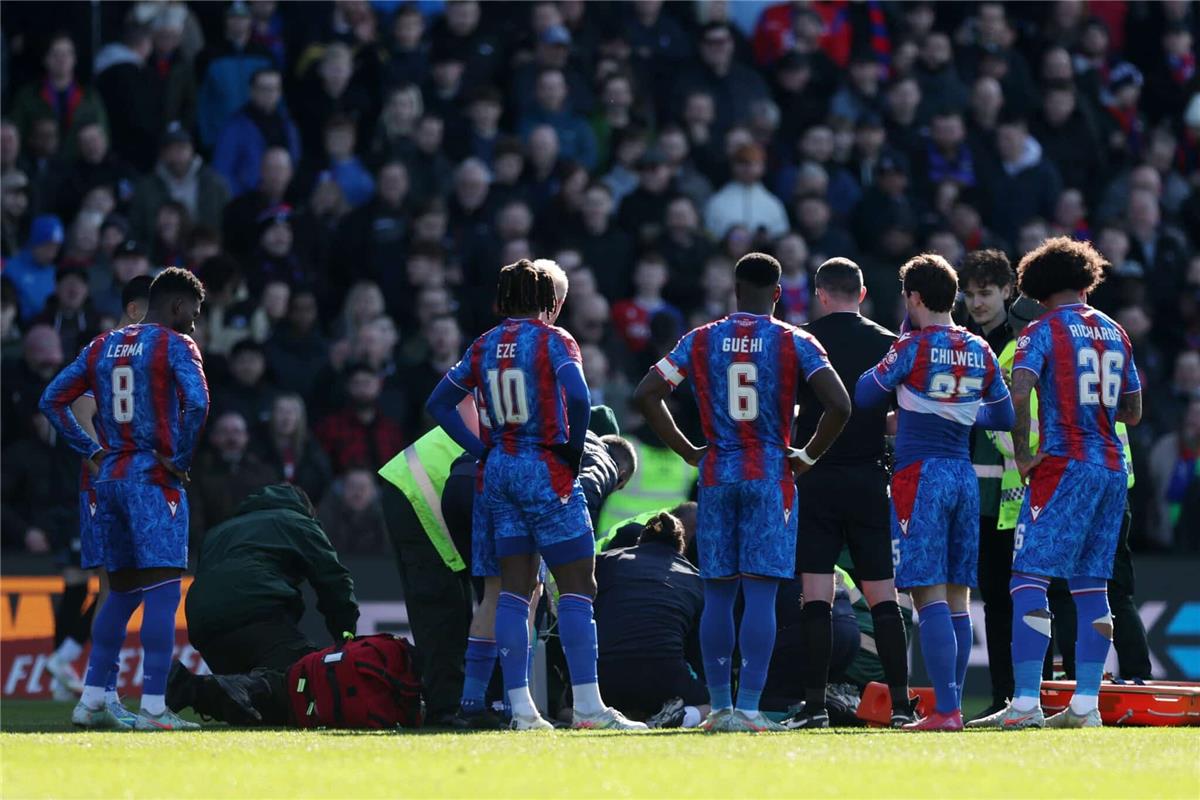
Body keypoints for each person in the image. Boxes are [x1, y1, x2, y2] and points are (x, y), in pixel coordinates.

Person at [633, 251, 851, 732]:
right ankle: (749, 709)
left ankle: (718, 708)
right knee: (759, 596)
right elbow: (839, 403)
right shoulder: (795, 341)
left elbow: (646, 393)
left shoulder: (702, 339)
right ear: (777, 293)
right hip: (771, 474)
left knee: (717, 595)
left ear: (735, 291)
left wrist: (689, 450)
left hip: (716, 474)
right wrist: (807, 456)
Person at [426, 258, 644, 731]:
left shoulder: (484, 344)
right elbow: (581, 397)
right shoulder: (554, 340)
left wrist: (482, 447)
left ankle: (522, 709)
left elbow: (438, 403)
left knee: (512, 593)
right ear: (549, 300)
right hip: (544, 467)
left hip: (499, 470)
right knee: (578, 587)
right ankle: (588, 707)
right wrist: (570, 450)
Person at [978, 238, 1143, 730]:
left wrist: (1027, 457)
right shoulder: (1117, 332)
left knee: (1028, 578)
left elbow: (1019, 394)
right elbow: (1133, 411)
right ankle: (1086, 705)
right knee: (1093, 586)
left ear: (1036, 286)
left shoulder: (1040, 331)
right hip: (1111, 469)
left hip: (1062, 465)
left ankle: (1026, 703)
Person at [39, 267, 210, 731]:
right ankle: (154, 706)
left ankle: (92, 698)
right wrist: (179, 457)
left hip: (108, 479)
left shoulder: (101, 345)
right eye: (192, 314)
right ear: (176, 306)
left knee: (119, 591)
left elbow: (51, 400)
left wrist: (91, 450)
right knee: (162, 589)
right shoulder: (176, 345)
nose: (194, 324)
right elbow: (196, 403)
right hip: (154, 478)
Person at [854, 253, 1014, 732]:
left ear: (914, 298)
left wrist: (904, 342)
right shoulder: (979, 348)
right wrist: (961, 414)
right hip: (964, 477)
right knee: (960, 597)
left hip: (919, 476)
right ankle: (954, 707)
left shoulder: (912, 347)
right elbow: (1003, 416)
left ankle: (944, 712)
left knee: (929, 596)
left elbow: (864, 396)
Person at [787, 258, 912, 729]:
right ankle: (901, 706)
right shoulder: (888, 344)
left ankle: (815, 706)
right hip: (868, 479)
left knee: (815, 595)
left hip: (815, 478)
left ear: (820, 294)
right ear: (861, 294)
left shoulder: (801, 341)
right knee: (883, 595)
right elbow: (903, 418)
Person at [43, 275, 152, 719]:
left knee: (122, 586)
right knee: (116, 586)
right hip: (107, 485)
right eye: (155, 308)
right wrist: (99, 462)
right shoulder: (109, 352)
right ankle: (102, 692)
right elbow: (78, 408)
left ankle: (101, 691)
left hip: (126, 481)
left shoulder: (146, 355)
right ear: (132, 310)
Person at [185, 484, 358, 674]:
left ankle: (200, 690)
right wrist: (345, 636)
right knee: (306, 677)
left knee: (241, 694)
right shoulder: (298, 521)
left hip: (202, 622)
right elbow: (334, 580)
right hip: (255, 608)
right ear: (308, 510)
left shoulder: (217, 532)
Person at [956, 249, 1018, 721]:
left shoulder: (1021, 341)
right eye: (970, 294)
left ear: (1007, 292)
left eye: (985, 293)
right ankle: (1001, 698)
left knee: (1004, 598)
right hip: (967, 489)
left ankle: (1015, 696)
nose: (977, 303)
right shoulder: (954, 341)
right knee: (980, 597)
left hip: (1013, 493)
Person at [593, 512, 707, 728]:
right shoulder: (695, 579)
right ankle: (683, 717)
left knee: (568, 706)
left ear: (640, 540)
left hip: (607, 675)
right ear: (680, 547)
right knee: (712, 705)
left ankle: (620, 718)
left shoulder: (607, 562)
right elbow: (696, 648)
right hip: (665, 675)